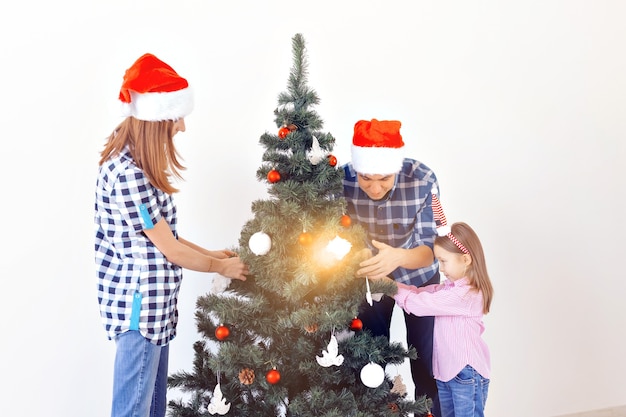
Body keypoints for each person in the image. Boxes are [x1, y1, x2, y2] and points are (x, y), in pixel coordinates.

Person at [94, 53, 249, 417]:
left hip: (157, 311)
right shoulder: (128, 174)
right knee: (135, 410)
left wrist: (212, 253)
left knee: (152, 410)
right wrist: (218, 267)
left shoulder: (141, 169)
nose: (182, 127)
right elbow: (170, 250)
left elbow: (167, 237)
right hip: (141, 312)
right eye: (177, 118)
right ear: (156, 120)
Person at [342, 119, 442, 415]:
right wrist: (356, 252)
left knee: (427, 361)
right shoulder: (341, 180)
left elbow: (431, 249)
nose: (374, 187)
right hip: (369, 282)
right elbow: (335, 232)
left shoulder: (424, 178)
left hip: (419, 278)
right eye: (366, 179)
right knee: (371, 362)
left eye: (384, 179)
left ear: (396, 169)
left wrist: (397, 257)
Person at [379, 221, 494, 417]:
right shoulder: (448, 288)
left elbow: (417, 304)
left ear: (465, 259)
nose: (440, 269)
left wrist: (387, 285)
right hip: (447, 373)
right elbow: (416, 292)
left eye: (443, 261)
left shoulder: (466, 295)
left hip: (465, 373)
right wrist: (389, 284)